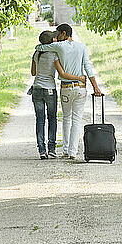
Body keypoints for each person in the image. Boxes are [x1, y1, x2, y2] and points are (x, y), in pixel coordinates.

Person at [35, 23, 101, 160]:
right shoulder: (82, 47)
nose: (57, 37)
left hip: (66, 88)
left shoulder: (59, 46)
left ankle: (65, 149)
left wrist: (40, 46)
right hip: (80, 88)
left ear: (63, 33)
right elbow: (88, 66)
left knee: (66, 118)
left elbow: (40, 47)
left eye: (58, 34)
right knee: (76, 119)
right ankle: (72, 151)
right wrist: (95, 86)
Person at [31, 30, 86, 160]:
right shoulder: (55, 55)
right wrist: (80, 78)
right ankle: (51, 149)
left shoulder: (36, 54)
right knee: (52, 119)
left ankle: (41, 150)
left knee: (39, 120)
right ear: (52, 40)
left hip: (36, 89)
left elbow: (33, 73)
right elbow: (61, 73)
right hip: (50, 89)